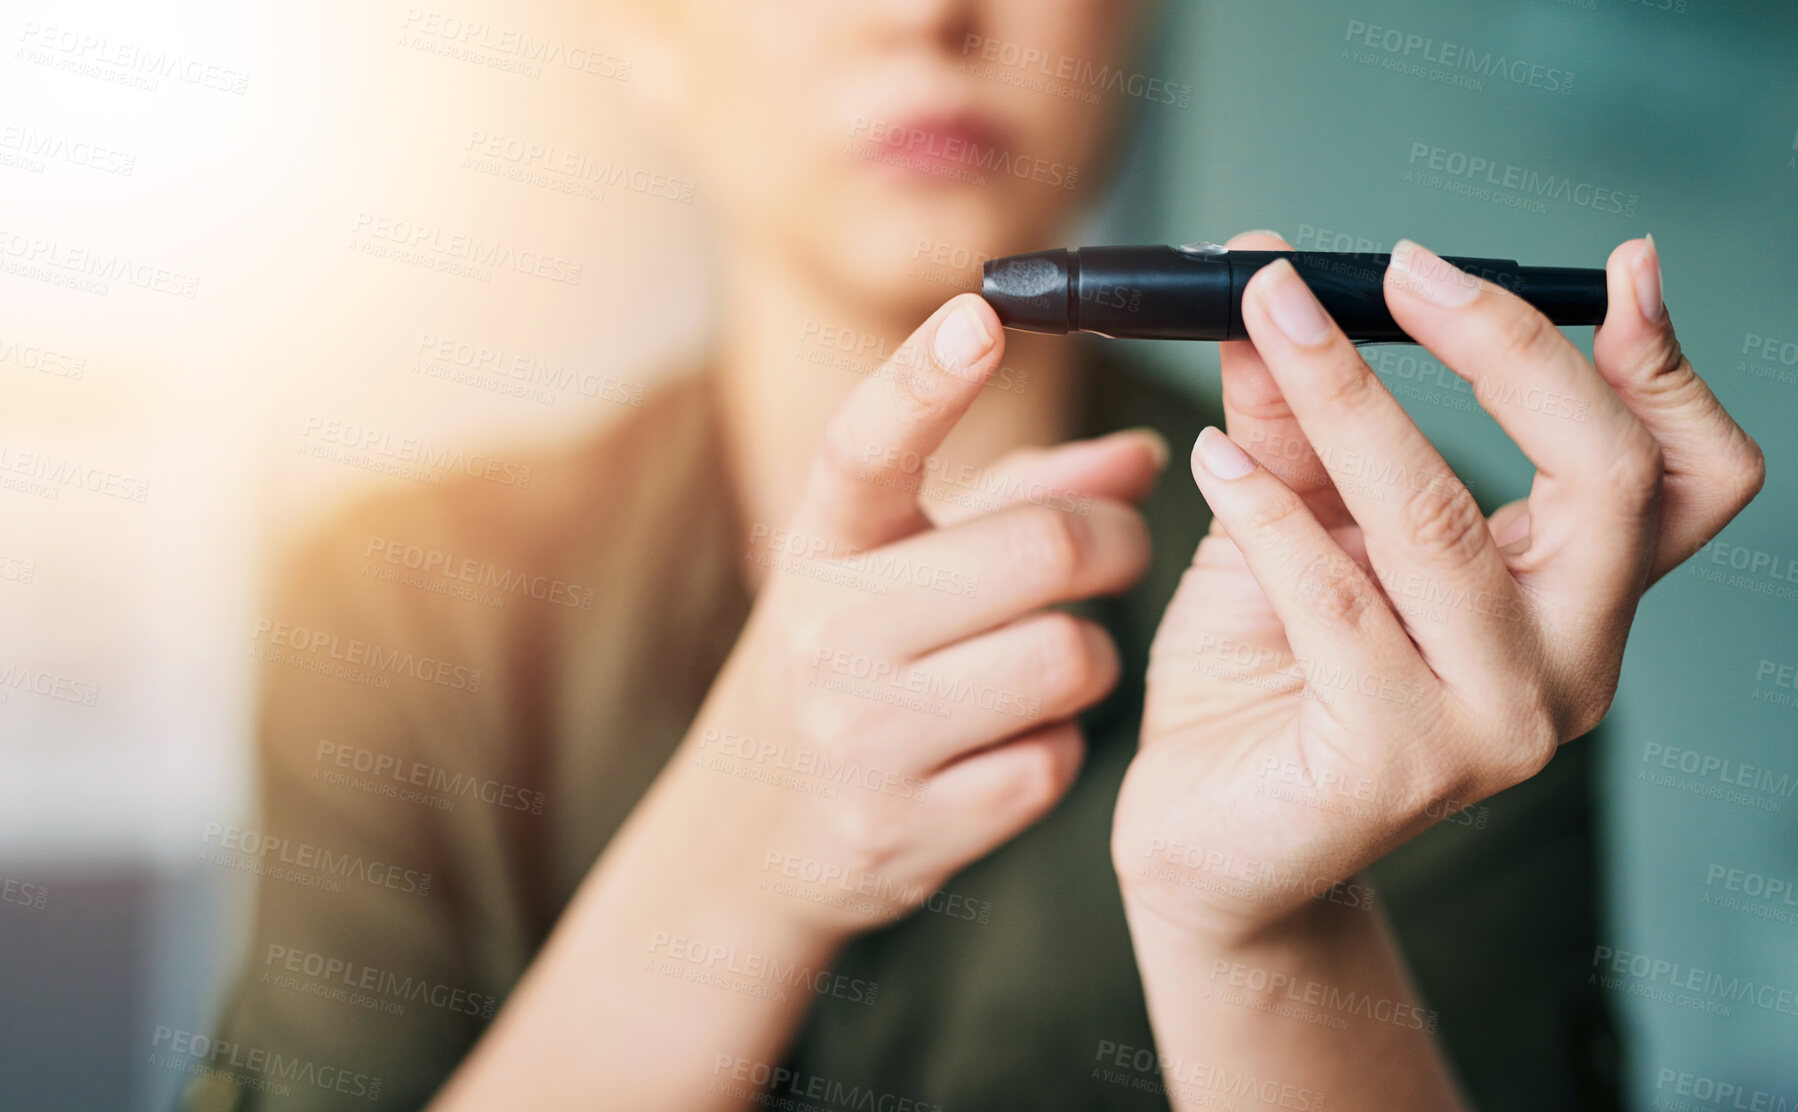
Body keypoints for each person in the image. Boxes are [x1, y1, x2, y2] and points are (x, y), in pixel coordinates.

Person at [182, 2, 1763, 1110]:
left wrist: (1254, 934)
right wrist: (737, 862)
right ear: (644, 31)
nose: (925, 13)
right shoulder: (392, 594)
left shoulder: (1431, 603)